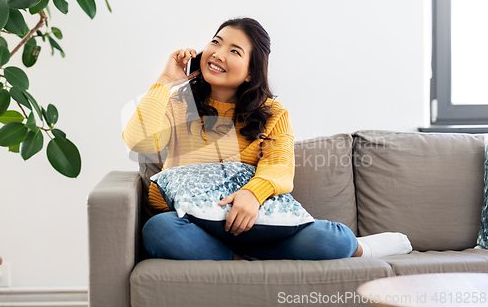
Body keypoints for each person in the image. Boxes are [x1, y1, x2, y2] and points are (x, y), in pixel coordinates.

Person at [123, 17, 412, 261]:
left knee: (329, 239)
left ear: (251, 72)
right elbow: (138, 142)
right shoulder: (177, 104)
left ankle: (364, 248)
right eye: (216, 42)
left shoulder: (273, 113)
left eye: (235, 51)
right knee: (159, 229)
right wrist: (165, 80)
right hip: (194, 223)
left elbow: (280, 166)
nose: (219, 54)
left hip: (259, 222)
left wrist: (252, 194)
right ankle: (238, 258)